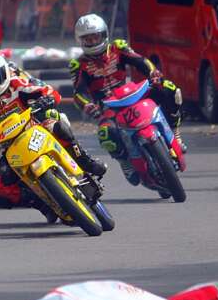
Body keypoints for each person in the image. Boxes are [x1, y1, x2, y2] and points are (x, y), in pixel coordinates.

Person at [0, 51, 106, 209]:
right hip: (6, 147)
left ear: (4, 72)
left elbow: (48, 91)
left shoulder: (16, 84)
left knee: (58, 123)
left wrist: (47, 99)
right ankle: (41, 203)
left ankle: (85, 162)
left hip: (34, 126)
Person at [69, 13, 184, 186]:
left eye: (95, 37)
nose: (92, 42)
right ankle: (125, 162)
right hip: (107, 106)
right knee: (105, 133)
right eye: (88, 39)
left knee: (170, 89)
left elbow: (141, 61)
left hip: (132, 93)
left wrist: (153, 74)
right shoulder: (78, 64)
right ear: (81, 41)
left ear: (104, 35)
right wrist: (88, 105)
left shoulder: (118, 47)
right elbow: (78, 92)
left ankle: (175, 133)